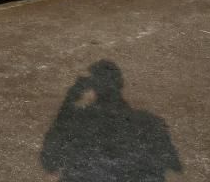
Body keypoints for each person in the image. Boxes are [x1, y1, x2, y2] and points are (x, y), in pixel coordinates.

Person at [41, 60, 182, 182]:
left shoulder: (78, 119)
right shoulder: (150, 122)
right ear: (120, 83)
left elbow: (49, 161)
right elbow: (174, 166)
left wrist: (70, 97)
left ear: (92, 86)